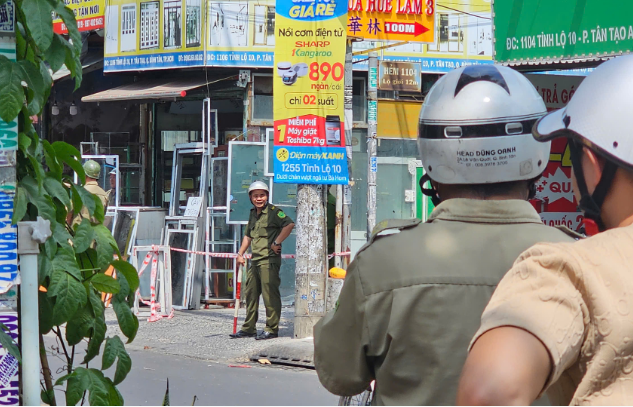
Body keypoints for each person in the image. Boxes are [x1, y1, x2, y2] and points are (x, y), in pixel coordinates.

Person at [312, 65, 581, 405]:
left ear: (432, 158)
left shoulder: (382, 263)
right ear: (538, 155)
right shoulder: (580, 261)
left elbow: (339, 374)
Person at [457, 55, 633, 406]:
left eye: (573, 157)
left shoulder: (568, 271)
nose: (571, 177)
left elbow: (489, 394)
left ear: (594, 164)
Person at [230, 181, 295, 340]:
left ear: (267, 196)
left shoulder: (274, 212)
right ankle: (249, 327)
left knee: (269, 295)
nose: (259, 198)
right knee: (250, 294)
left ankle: (271, 329)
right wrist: (240, 254)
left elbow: (289, 224)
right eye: (255, 195)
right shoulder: (253, 213)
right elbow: (248, 235)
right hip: (255, 259)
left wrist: (276, 242)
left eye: (262, 195)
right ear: (251, 197)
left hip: (268, 260)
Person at [71, 160, 109, 226]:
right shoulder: (104, 194)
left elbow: (70, 213)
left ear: (84, 174)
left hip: (79, 233)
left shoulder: (79, 192)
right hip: (96, 234)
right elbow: (102, 215)